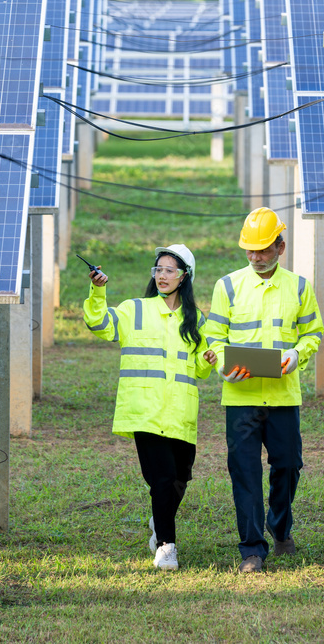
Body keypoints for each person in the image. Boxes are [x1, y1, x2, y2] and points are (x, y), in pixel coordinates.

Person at [204, 208, 324, 573]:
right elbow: (213, 337)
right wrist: (224, 365)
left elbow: (313, 334)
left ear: (281, 247)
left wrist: (296, 354)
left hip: (283, 396)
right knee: (244, 471)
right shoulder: (227, 286)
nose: (256, 257)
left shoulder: (300, 287)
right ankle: (252, 550)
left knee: (288, 466)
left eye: (263, 250)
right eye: (250, 250)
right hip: (241, 398)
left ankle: (280, 527)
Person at [83, 244, 217, 571]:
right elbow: (99, 323)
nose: (162, 275)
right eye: (158, 269)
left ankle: (159, 519)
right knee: (162, 477)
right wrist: (97, 290)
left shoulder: (196, 320)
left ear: (185, 277)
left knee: (180, 478)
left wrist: (208, 359)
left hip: (181, 413)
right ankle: (166, 547)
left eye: (170, 270)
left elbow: (199, 369)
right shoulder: (134, 310)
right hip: (144, 410)